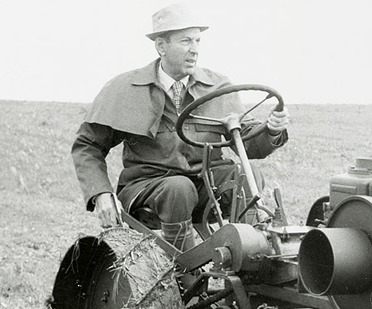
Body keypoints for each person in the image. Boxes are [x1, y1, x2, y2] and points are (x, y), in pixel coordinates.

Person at [71, 3, 290, 250]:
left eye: (198, 41)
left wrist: (271, 130)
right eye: (186, 41)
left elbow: (247, 143)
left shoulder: (217, 86)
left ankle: (249, 258)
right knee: (179, 188)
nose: (195, 50)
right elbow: (87, 146)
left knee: (244, 175)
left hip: (204, 181)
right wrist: (100, 193)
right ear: (161, 46)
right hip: (149, 185)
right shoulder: (125, 88)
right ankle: (184, 273)